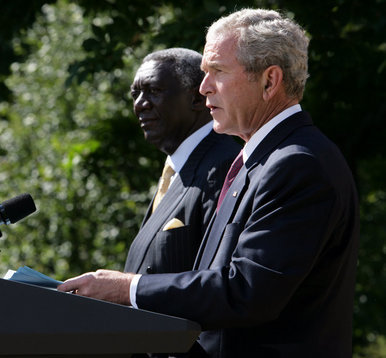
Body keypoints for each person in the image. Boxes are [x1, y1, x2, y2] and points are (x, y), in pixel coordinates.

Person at [58, 8, 360, 358]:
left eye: (217, 71)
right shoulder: (260, 160)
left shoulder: (298, 164)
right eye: (204, 73)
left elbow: (245, 292)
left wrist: (128, 289)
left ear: (269, 81)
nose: (203, 88)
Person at [125, 48, 240, 276]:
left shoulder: (224, 167)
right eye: (135, 94)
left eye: (154, 91)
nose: (140, 104)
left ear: (197, 99)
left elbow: (216, 277)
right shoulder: (177, 168)